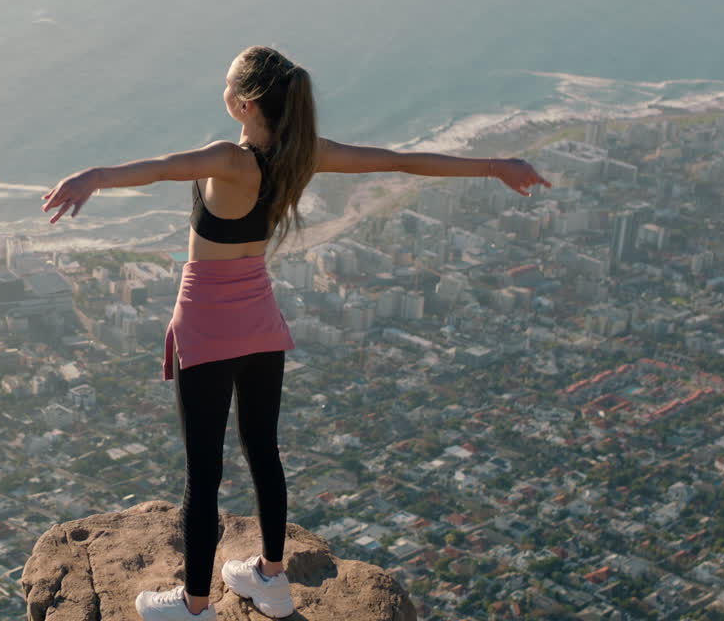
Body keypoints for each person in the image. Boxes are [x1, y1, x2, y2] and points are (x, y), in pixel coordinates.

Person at [40, 45, 550, 619]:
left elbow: (160, 167)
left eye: (228, 83)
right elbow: (399, 161)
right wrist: (496, 166)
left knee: (202, 476)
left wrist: (94, 177)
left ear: (244, 102)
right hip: (262, 326)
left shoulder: (228, 160)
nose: (223, 88)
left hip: (206, 329)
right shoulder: (306, 155)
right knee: (264, 452)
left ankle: (195, 606)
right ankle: (271, 580)